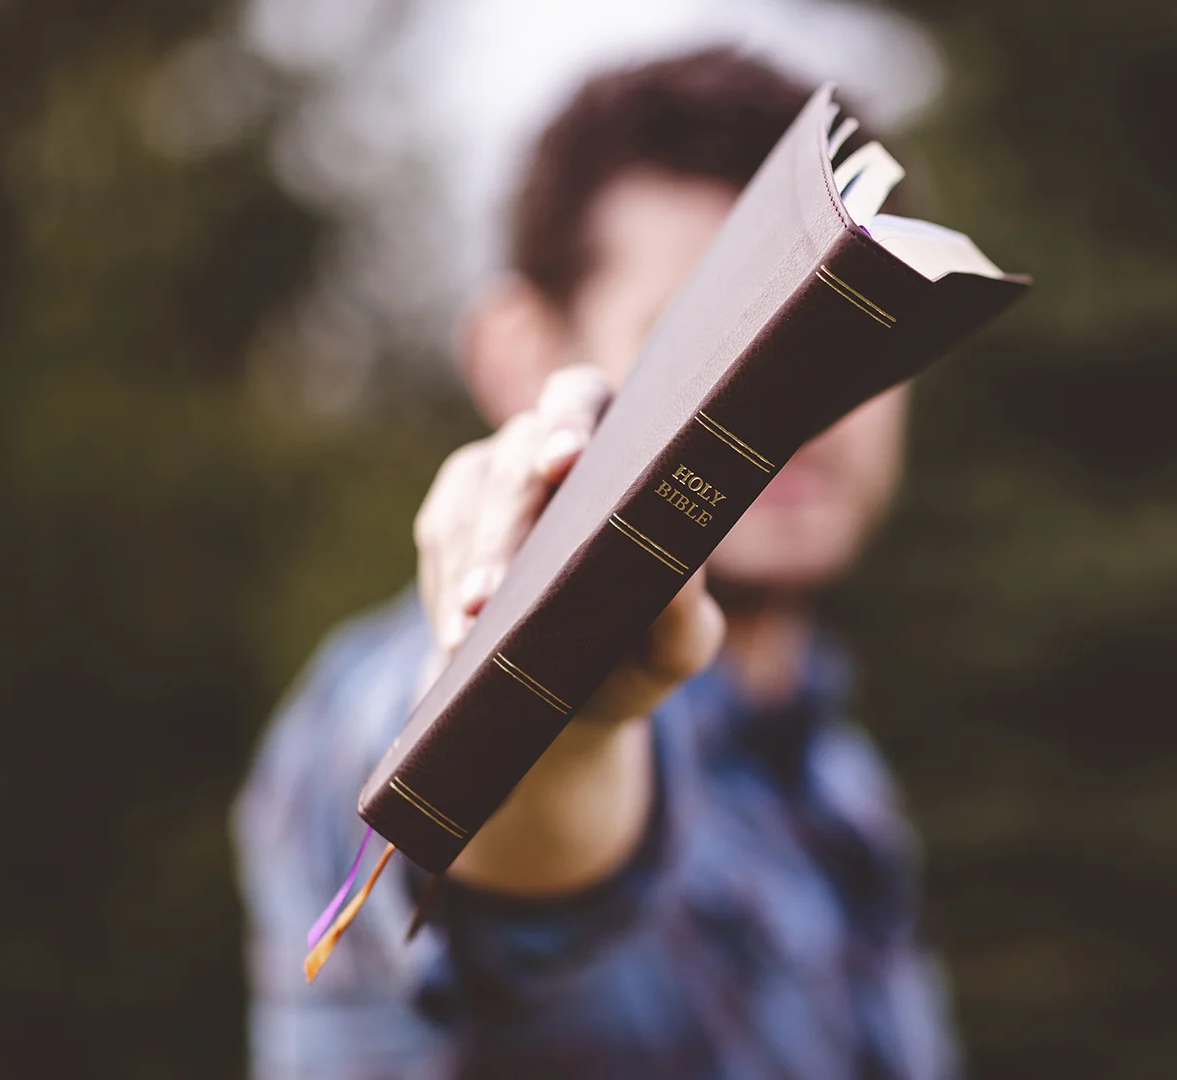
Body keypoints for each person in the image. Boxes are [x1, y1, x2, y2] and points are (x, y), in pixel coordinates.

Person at [235, 49, 956, 1079]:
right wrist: (555, 709)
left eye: (854, 333)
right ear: (520, 357)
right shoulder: (368, 708)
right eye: (716, 332)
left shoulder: (844, 784)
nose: (805, 402)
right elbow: (510, 841)